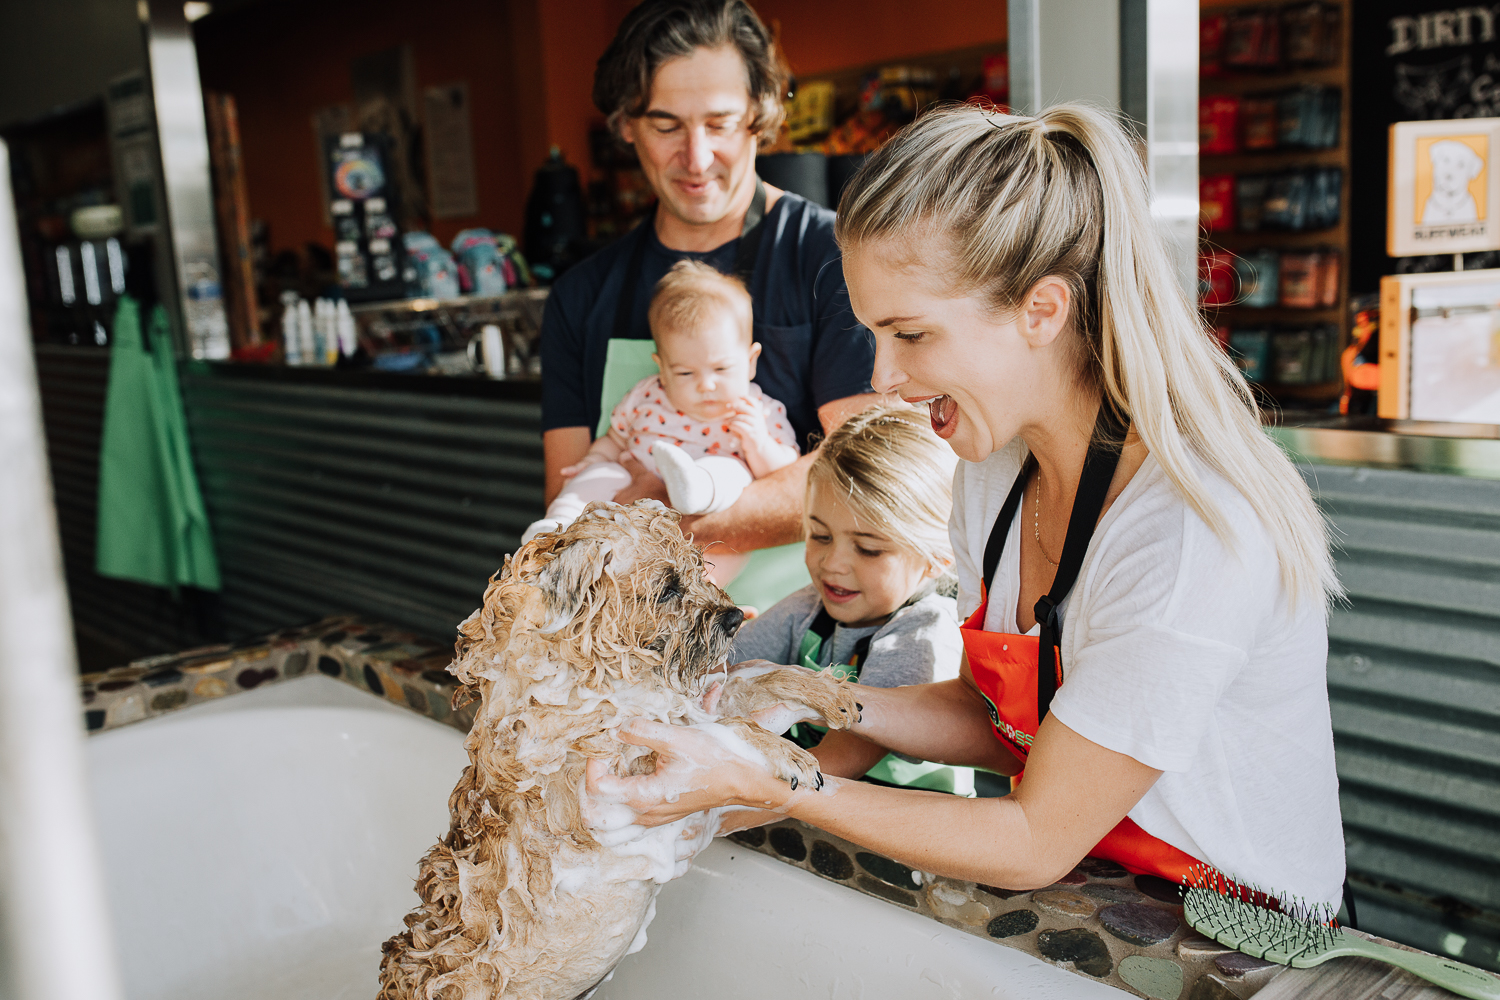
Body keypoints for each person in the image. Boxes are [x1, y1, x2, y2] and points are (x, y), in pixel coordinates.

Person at [584, 103, 1348, 910]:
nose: (881, 376)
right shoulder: (991, 472)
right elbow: (1000, 721)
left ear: (1041, 311)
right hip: (1100, 904)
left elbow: (1035, 840)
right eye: (873, 333)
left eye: (910, 335)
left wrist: (774, 782)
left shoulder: (1189, 529)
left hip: (1242, 942)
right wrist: (800, 690)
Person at [540, 0, 879, 609]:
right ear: (625, 124)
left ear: (759, 117)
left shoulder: (834, 258)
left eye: (720, 124)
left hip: (803, 637)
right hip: (637, 638)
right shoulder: (579, 297)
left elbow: (864, 473)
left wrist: (657, 512)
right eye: (666, 125)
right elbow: (564, 501)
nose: (696, 160)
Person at [727, 405, 971, 794]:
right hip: (808, 792)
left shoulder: (923, 630)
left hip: (903, 825)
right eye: (821, 536)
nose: (833, 564)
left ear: (934, 560)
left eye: (869, 549)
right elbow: (724, 669)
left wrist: (732, 793)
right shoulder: (808, 608)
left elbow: (850, 752)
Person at [525, 261, 800, 587]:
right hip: (633, 480)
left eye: (722, 369)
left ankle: (694, 497)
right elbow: (615, 439)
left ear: (751, 361)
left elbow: (785, 468)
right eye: (685, 373)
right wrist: (593, 461)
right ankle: (556, 530)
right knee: (598, 477)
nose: (706, 385)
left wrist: (759, 445)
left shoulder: (757, 411)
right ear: (663, 368)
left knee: (730, 473)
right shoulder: (647, 394)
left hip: (709, 512)